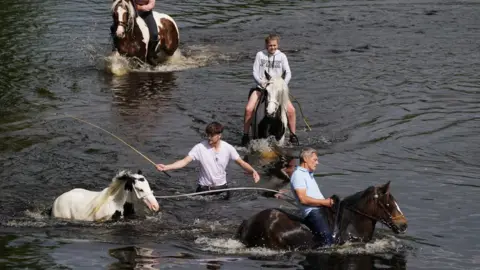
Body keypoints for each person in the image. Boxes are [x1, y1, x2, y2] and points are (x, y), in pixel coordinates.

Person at [156, 122, 260, 199]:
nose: (209, 137)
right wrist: (167, 167)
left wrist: (253, 171)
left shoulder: (228, 148)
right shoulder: (199, 148)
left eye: (212, 135)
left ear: (219, 135)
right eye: (208, 135)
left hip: (222, 190)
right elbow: (184, 161)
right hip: (204, 191)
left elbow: (241, 163)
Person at [242, 34, 298, 146]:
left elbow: (288, 73)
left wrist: (282, 85)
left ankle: (292, 135)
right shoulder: (259, 55)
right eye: (270, 45)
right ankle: (245, 134)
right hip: (261, 87)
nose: (272, 47)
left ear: (277, 45)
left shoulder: (282, 56)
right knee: (248, 109)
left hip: (277, 89)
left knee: (291, 111)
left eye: (274, 45)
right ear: (266, 45)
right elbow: (254, 72)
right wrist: (260, 82)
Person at [290, 147, 334, 246]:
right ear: (305, 159)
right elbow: (303, 199)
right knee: (327, 240)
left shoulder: (308, 174)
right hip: (312, 212)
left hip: (321, 209)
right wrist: (325, 202)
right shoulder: (298, 175)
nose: (317, 163)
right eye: (315, 160)